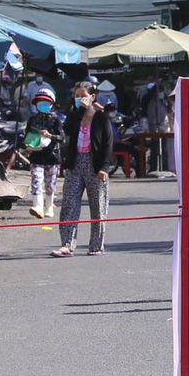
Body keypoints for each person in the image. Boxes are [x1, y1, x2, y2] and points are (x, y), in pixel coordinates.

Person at [54, 81, 114, 257]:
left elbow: (108, 143)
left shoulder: (101, 117)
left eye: (84, 96)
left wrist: (104, 167)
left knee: (98, 206)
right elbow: (67, 130)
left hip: (94, 165)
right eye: (77, 96)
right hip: (75, 163)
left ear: (92, 97)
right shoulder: (74, 115)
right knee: (69, 204)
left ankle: (96, 245)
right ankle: (67, 244)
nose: (80, 99)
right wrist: (79, 110)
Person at [23, 90, 62, 219]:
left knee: (50, 185)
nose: (42, 104)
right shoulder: (32, 119)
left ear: (51, 104)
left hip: (52, 157)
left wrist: (50, 136)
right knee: (36, 181)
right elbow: (27, 135)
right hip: (36, 156)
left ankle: (49, 207)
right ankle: (38, 207)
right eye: (40, 102)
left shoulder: (56, 119)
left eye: (45, 102)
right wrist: (28, 146)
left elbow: (62, 138)